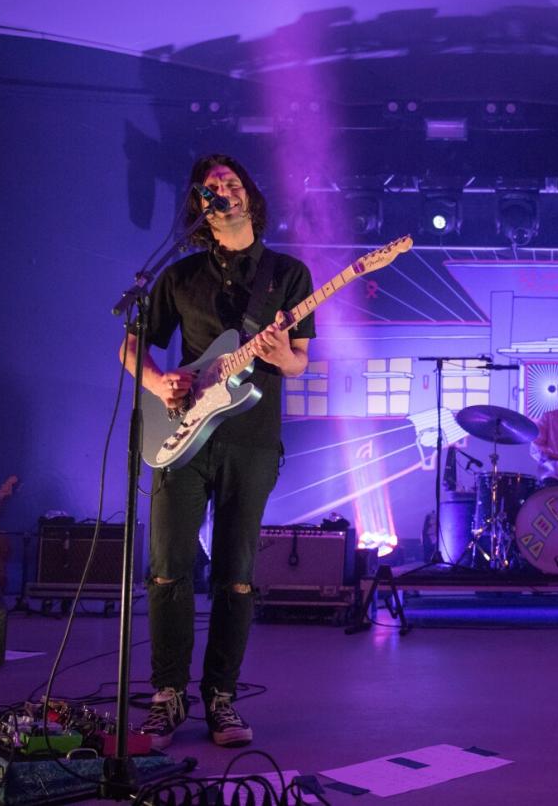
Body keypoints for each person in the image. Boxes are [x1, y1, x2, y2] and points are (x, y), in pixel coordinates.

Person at [120, 154, 315, 748]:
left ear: (251, 196)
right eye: (210, 186)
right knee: (167, 569)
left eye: (230, 182)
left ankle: (222, 700)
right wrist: (159, 383)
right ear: (198, 207)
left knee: (236, 575)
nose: (221, 190)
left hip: (251, 440)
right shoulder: (178, 277)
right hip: (181, 435)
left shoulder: (288, 274)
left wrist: (281, 356)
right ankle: (167, 694)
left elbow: (300, 360)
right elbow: (134, 348)